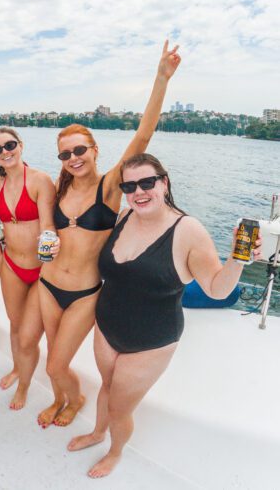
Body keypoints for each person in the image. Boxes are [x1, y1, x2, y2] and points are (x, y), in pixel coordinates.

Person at [67, 153, 263, 477]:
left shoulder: (188, 230)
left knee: (120, 407)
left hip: (150, 341)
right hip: (106, 326)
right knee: (106, 386)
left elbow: (217, 289)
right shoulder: (124, 216)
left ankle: (114, 452)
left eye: (147, 183)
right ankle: (97, 433)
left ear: (164, 182)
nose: (139, 191)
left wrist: (238, 260)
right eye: (130, 185)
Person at [37, 40, 181, 430]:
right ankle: (59, 398)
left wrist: (161, 78)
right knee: (52, 358)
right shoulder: (59, 188)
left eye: (79, 149)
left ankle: (76, 397)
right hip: (47, 284)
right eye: (65, 154)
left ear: (94, 148)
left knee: (56, 362)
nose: (73, 159)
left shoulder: (111, 186)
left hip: (84, 292)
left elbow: (143, 137)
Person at [0, 127, 58, 410]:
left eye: (10, 145)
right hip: (11, 264)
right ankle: (18, 368)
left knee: (28, 337)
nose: (5, 152)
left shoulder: (41, 180)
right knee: (16, 327)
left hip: (40, 271)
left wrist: (49, 254)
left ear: (21, 145)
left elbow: (49, 226)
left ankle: (25, 387)